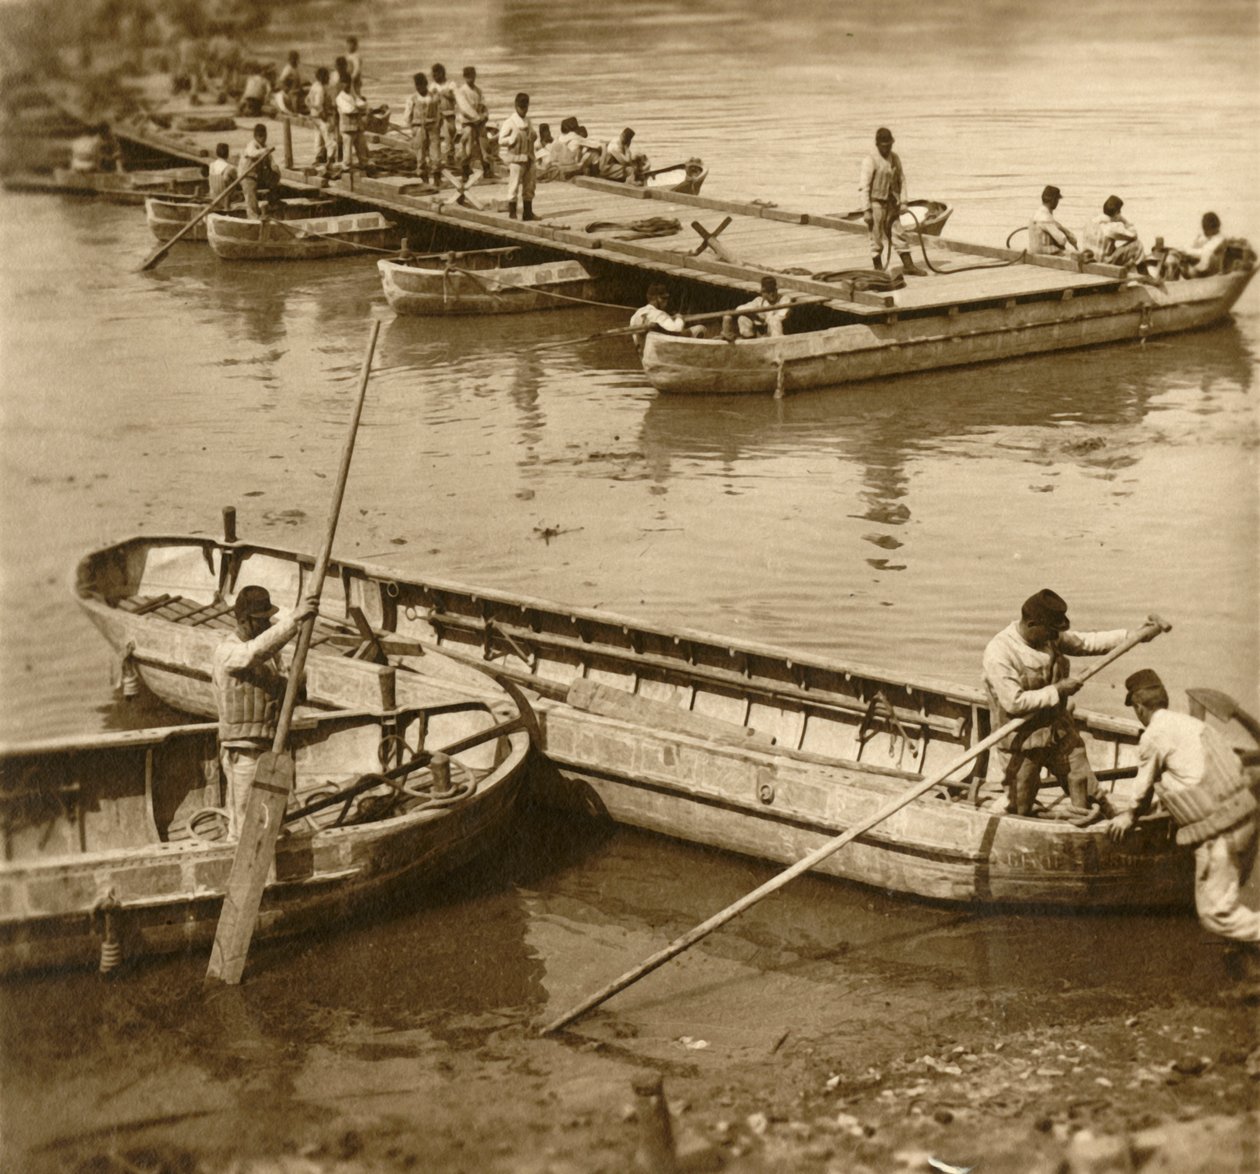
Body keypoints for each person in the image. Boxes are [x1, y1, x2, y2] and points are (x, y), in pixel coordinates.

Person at [1105, 669, 1259, 945]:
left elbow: (1141, 789)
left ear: (1139, 707)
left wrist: (1129, 815)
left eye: (1136, 709)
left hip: (1219, 832)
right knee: (1228, 900)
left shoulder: (1153, 735)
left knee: (1216, 914)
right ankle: (1246, 965)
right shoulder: (1193, 725)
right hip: (1246, 819)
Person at [981, 589, 1154, 824]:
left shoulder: (1048, 636)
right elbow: (1015, 703)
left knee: (1088, 789)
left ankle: (1096, 817)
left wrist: (1132, 636)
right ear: (1032, 624)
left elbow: (1086, 643)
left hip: (1058, 729)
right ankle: (1010, 805)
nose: (1056, 636)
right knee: (1019, 809)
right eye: (1051, 631)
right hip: (1021, 739)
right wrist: (1058, 690)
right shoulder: (1000, 652)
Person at [211, 586, 317, 839]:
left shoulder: (271, 655)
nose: (267, 624)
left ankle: (276, 866)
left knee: (271, 819)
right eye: (261, 620)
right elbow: (254, 652)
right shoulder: (228, 651)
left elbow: (281, 687)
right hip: (244, 752)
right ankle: (241, 870)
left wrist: (297, 681)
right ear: (243, 619)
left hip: (271, 748)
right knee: (246, 825)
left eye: (269, 618)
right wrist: (294, 620)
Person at [858, 127, 926, 276]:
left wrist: (903, 202)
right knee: (876, 237)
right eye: (884, 146)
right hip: (875, 203)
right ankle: (878, 270)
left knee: (898, 233)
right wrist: (866, 210)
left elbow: (902, 179)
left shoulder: (895, 158)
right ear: (877, 145)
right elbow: (864, 187)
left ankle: (908, 265)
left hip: (891, 204)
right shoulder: (870, 160)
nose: (887, 148)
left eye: (889, 145)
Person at [629, 284, 706, 353]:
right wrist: (679, 318)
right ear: (657, 298)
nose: (666, 301)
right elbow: (677, 329)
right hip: (659, 352)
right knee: (700, 328)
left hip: (643, 351)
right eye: (664, 298)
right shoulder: (659, 314)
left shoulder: (637, 313)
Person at [499, 92, 538, 221]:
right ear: (516, 106)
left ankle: (528, 213)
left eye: (525, 107)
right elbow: (500, 140)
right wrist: (510, 139)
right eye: (521, 107)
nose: (523, 110)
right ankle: (512, 212)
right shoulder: (509, 122)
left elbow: (533, 134)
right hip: (516, 160)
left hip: (529, 159)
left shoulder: (529, 121)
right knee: (514, 185)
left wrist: (534, 136)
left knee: (529, 186)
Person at [1084, 195, 1146, 271]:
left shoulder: (1091, 221)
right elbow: (1134, 235)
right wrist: (1125, 221)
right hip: (1103, 264)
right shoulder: (1110, 227)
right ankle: (1144, 274)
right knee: (1137, 245)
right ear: (1117, 212)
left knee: (1110, 248)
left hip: (1089, 260)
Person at [402, 71, 442, 183]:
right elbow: (407, 116)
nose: (420, 88)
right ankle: (424, 179)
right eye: (418, 86)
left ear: (426, 84)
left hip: (432, 127)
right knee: (420, 154)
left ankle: (437, 177)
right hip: (418, 128)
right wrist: (412, 129)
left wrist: (438, 125)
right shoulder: (412, 99)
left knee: (436, 153)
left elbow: (439, 113)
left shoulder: (434, 97)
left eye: (422, 85)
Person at [455, 65, 491, 180]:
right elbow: (464, 110)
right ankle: (465, 170)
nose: (471, 79)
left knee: (484, 145)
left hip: (479, 122)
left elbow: (484, 106)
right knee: (468, 146)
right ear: (465, 77)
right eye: (468, 77)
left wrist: (484, 116)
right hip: (468, 123)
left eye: (473, 76)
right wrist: (475, 118)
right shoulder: (461, 91)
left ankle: (487, 169)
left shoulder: (478, 91)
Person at [728, 276, 793, 339]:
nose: (771, 294)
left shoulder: (784, 299)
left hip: (778, 332)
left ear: (776, 290)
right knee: (742, 318)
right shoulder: (759, 300)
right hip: (764, 331)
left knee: (774, 321)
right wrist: (755, 315)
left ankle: (778, 344)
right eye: (768, 291)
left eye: (773, 290)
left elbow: (782, 314)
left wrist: (766, 319)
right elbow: (739, 309)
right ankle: (749, 340)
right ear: (763, 292)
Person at [335, 65, 371, 173]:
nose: (347, 85)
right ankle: (347, 167)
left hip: (357, 127)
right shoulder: (340, 97)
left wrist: (361, 106)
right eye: (344, 83)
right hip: (347, 128)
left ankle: (364, 164)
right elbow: (348, 110)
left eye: (348, 83)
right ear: (341, 84)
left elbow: (363, 104)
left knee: (361, 146)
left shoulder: (352, 95)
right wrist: (360, 109)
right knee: (348, 150)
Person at [238, 123, 277, 219]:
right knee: (251, 200)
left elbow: (270, 161)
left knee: (274, 178)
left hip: (256, 176)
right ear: (255, 136)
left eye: (264, 136)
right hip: (246, 176)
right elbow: (252, 153)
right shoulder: (251, 145)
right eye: (260, 136)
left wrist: (274, 169)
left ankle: (272, 205)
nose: (263, 138)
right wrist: (265, 151)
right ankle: (253, 218)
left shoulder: (263, 147)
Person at [1028, 185, 1079, 256]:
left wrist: (1063, 229)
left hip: (1035, 251)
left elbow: (1052, 224)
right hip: (1045, 253)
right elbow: (1062, 240)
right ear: (1053, 200)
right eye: (1057, 200)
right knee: (1077, 256)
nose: (1057, 202)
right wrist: (1066, 234)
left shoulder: (1037, 214)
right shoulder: (1045, 218)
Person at [307, 66, 337, 171]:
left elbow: (307, 100)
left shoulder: (314, 86)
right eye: (327, 77)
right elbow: (319, 104)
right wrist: (324, 114)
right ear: (323, 77)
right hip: (320, 116)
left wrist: (313, 109)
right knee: (328, 137)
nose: (328, 79)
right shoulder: (320, 89)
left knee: (318, 138)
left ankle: (318, 158)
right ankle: (330, 159)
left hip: (313, 115)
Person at [1181, 211, 1227, 277]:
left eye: (1206, 228)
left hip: (1208, 272)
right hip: (1202, 266)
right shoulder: (1204, 237)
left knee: (1184, 269)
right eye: (1204, 228)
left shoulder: (1219, 239)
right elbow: (1191, 246)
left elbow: (1205, 251)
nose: (1204, 231)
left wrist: (1187, 251)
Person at [431, 63, 457, 167]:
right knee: (435, 137)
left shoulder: (451, 84)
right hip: (437, 115)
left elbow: (454, 97)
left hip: (448, 114)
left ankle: (450, 158)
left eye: (436, 75)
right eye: (433, 75)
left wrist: (442, 92)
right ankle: (436, 159)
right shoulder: (432, 86)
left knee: (449, 136)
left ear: (442, 73)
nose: (434, 77)